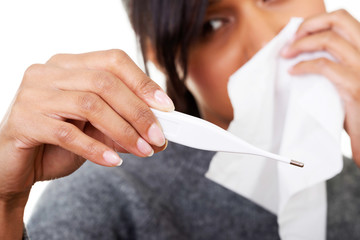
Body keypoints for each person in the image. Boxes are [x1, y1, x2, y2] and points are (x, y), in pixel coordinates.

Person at [1, 0, 360, 239]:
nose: (267, 40)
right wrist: (5, 203)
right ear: (160, 52)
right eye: (214, 24)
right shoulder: (111, 193)